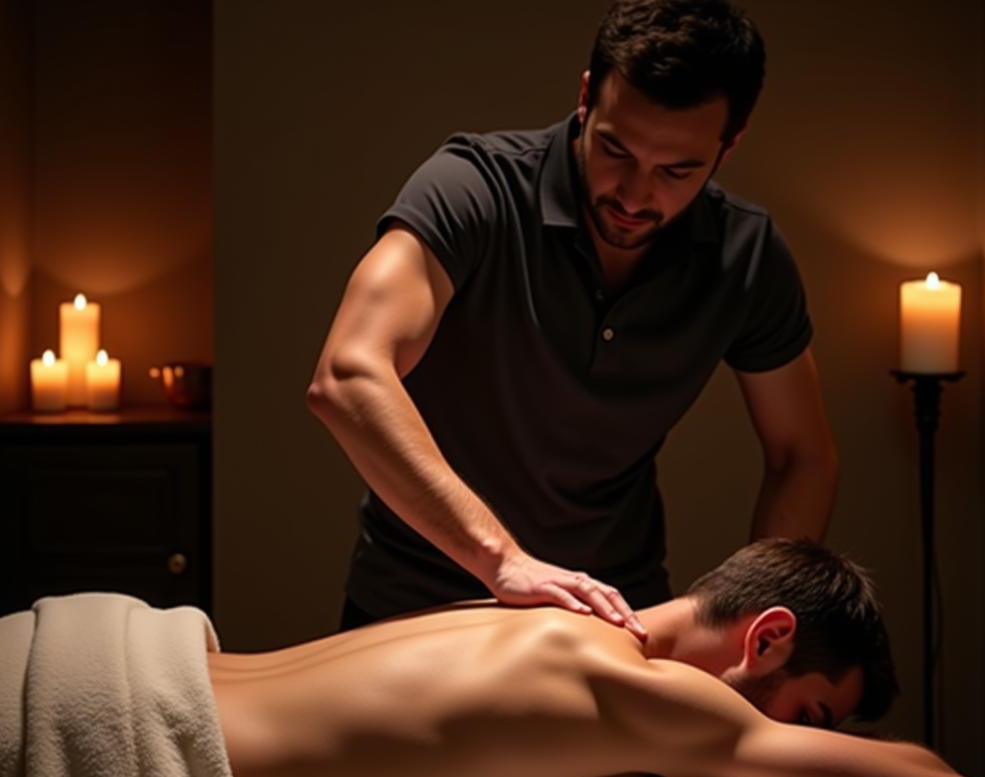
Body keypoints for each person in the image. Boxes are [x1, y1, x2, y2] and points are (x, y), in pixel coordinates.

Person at [307, 0, 839, 635]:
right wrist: (501, 560)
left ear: (730, 144)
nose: (636, 195)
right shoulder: (474, 188)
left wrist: (750, 621)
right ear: (587, 97)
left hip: (611, 613)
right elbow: (348, 373)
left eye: (676, 171)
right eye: (616, 150)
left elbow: (801, 454)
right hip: (417, 603)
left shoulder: (746, 254)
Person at [209, 540, 985, 777]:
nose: (798, 747)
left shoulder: (535, 612)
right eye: (811, 717)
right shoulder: (647, 696)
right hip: (145, 742)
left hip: (175, 676)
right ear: (770, 638)